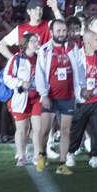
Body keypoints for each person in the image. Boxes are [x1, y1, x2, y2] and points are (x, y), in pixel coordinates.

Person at [35, 19, 85, 175]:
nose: (62, 34)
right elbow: (40, 75)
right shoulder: (44, 50)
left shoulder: (72, 47)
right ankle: (42, 153)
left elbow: (80, 67)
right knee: (44, 130)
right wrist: (43, 95)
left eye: (64, 31)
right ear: (51, 32)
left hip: (68, 96)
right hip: (50, 96)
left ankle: (62, 164)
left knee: (65, 130)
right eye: (59, 31)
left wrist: (81, 88)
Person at [66, 28, 97, 169]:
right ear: (88, 41)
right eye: (96, 39)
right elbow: (73, 77)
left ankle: (95, 157)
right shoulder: (76, 56)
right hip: (81, 101)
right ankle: (70, 153)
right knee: (77, 129)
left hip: (96, 99)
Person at [4, 32, 43, 167]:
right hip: (21, 98)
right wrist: (20, 83)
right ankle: (21, 155)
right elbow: (7, 78)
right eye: (33, 41)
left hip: (37, 97)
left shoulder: (41, 58)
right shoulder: (17, 59)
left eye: (37, 41)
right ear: (26, 44)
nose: (37, 44)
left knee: (38, 128)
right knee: (22, 129)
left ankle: (37, 156)